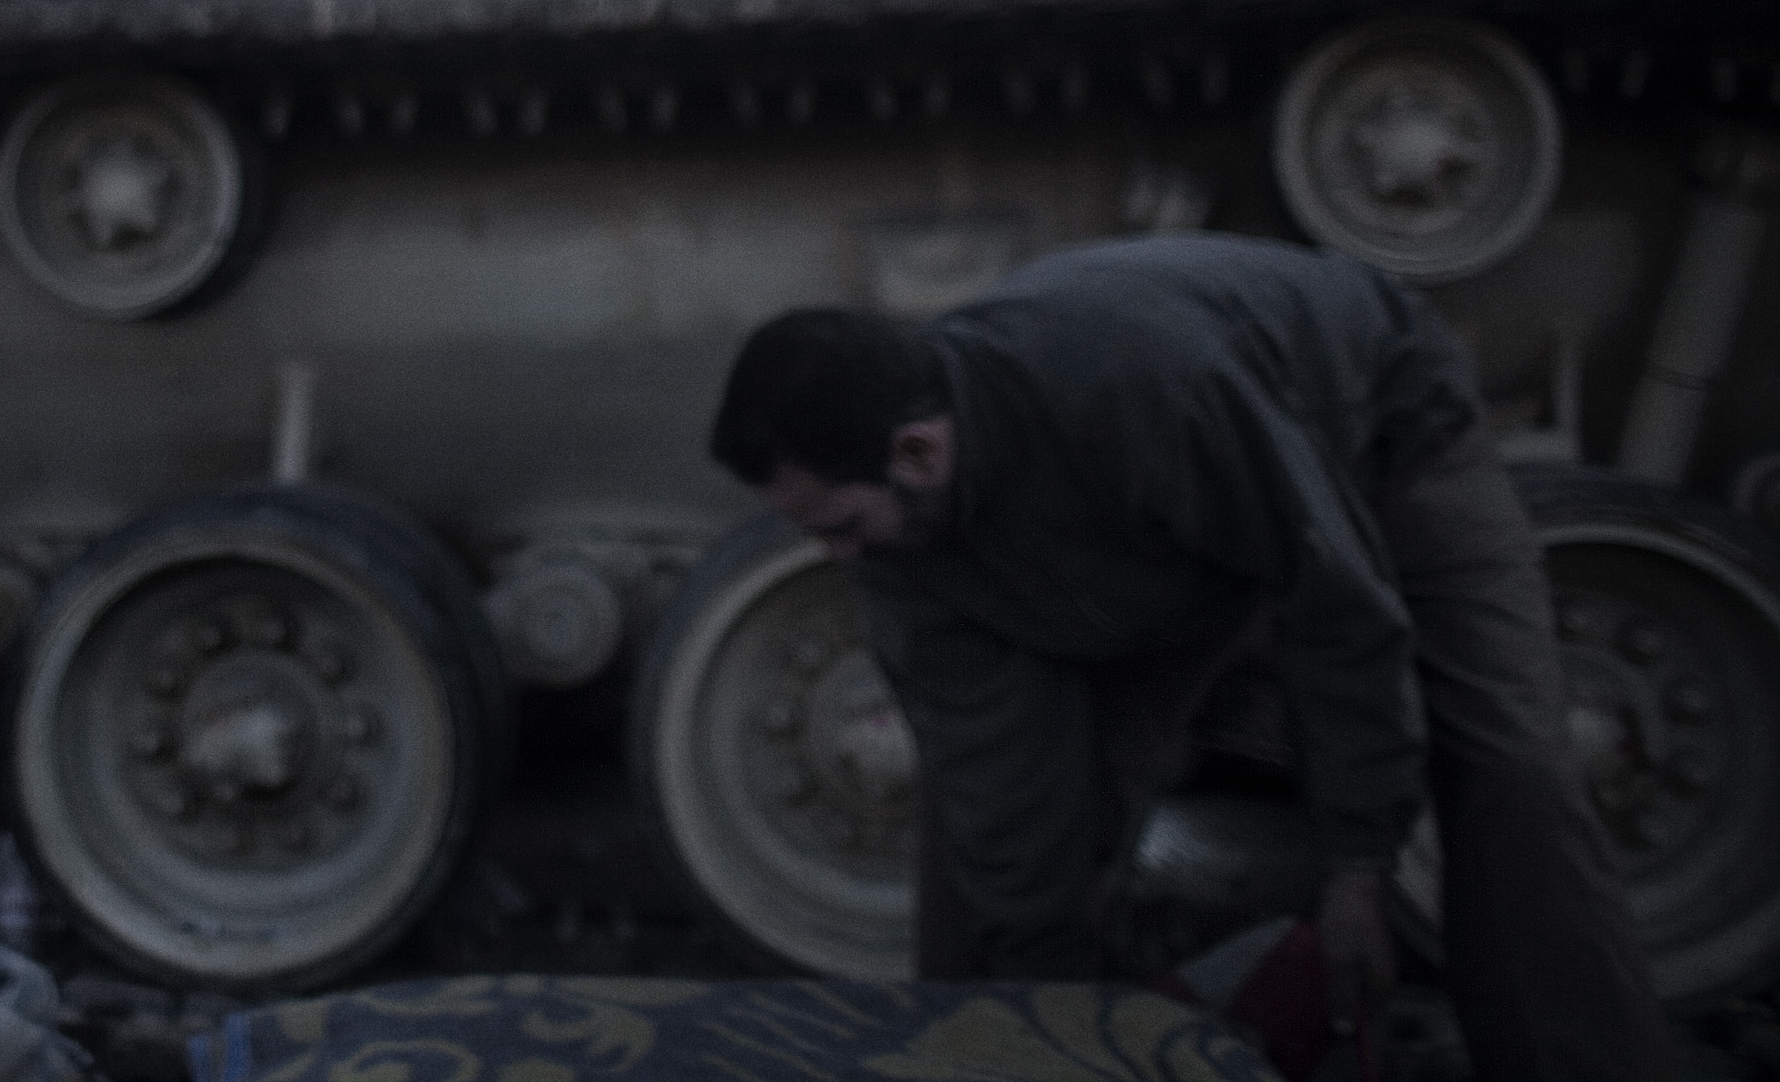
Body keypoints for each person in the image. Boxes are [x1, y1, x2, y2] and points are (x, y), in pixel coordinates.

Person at [709, 233, 1669, 1082]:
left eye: (840, 525)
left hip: (1375, 439)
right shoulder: (899, 552)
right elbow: (993, 776)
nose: (834, 557)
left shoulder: (1142, 384)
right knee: (972, 845)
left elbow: (1338, 607)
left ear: (917, 455)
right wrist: (1040, 1009)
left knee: (1511, 768)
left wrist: (1359, 868)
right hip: (1154, 540)